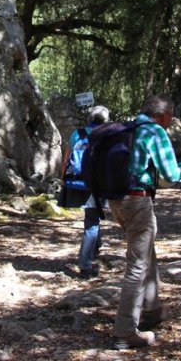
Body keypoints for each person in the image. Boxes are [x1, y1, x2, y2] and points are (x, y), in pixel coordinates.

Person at [108, 94, 181, 350]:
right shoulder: (155, 131)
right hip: (138, 199)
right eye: (172, 116)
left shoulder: (126, 128)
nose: (172, 121)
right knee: (137, 265)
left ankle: (152, 309)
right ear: (164, 114)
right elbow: (170, 174)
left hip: (116, 201)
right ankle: (125, 331)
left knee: (146, 253)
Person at [60, 105, 110, 278]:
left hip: (78, 181)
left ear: (89, 118)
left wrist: (63, 179)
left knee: (93, 217)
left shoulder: (77, 134)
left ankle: (95, 248)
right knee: (92, 222)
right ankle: (85, 266)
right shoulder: (109, 135)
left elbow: (66, 158)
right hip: (98, 183)